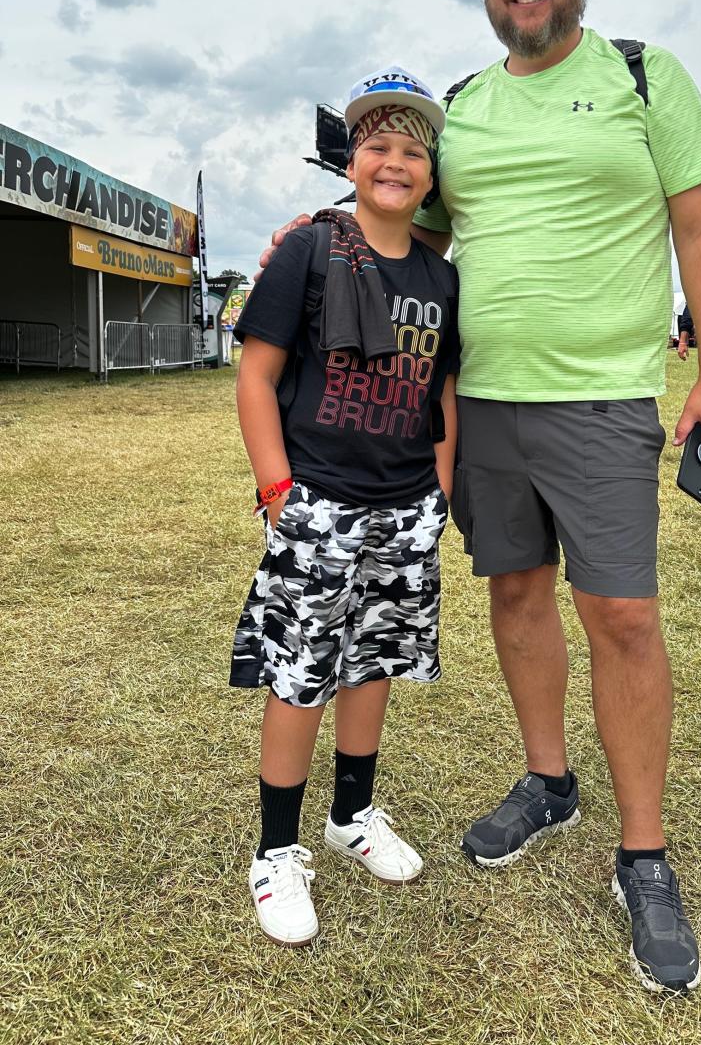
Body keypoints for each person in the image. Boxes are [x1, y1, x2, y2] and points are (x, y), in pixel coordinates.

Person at [262, 0, 701, 992]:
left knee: (621, 610)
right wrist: (326, 230)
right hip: (477, 400)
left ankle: (642, 851)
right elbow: (413, 221)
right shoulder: (467, 105)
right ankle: (547, 779)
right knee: (516, 594)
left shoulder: (642, 75)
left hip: (601, 397)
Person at [233, 68, 459, 946]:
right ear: (352, 160)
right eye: (377, 146)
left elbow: (442, 394)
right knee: (302, 673)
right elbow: (256, 374)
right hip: (318, 500)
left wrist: (440, 488)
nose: (394, 161)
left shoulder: (442, 278)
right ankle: (276, 851)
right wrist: (274, 487)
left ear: (431, 175)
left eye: (412, 150)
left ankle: (352, 816)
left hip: (406, 507)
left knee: (373, 665)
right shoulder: (310, 249)